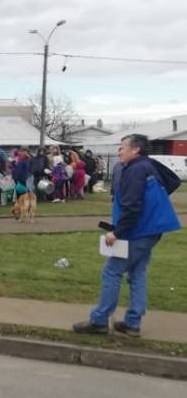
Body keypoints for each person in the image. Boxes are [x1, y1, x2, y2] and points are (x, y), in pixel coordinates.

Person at [73, 134, 181, 337]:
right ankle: (133, 323)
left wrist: (117, 232)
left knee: (111, 271)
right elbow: (173, 182)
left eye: (123, 147)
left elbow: (132, 207)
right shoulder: (148, 165)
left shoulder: (135, 170)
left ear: (136, 150)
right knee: (137, 273)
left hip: (138, 230)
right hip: (151, 229)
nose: (119, 151)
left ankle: (99, 320)